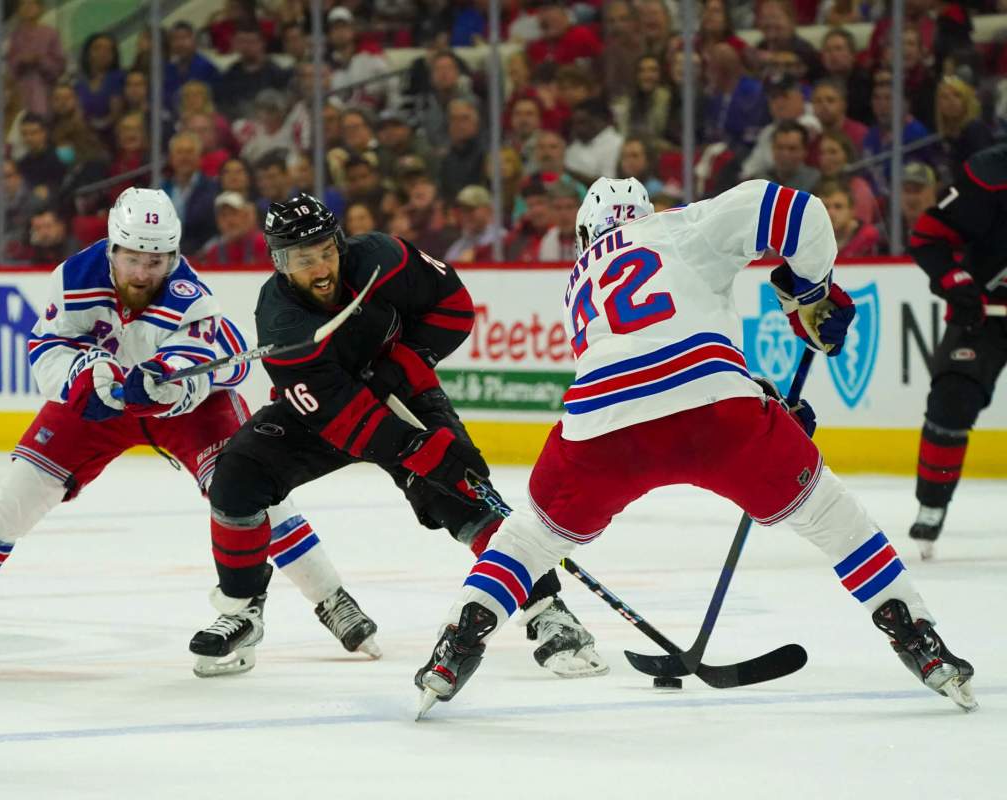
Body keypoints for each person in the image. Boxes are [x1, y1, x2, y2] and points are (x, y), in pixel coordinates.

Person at [414, 176, 976, 715]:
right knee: (834, 519)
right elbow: (801, 212)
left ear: (586, 236)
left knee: (527, 540)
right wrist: (809, 291)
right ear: (647, 214)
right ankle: (916, 636)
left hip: (602, 423)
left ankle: (458, 642)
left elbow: (646, 360)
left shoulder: (580, 279)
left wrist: (762, 396)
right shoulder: (679, 226)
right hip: (717, 412)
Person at [0, 188, 379, 672]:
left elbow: (226, 368)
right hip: (94, 408)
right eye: (133, 260)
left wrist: (172, 386)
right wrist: (81, 377)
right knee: (14, 493)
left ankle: (332, 599)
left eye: (158, 260)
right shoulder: (75, 279)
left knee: (253, 493)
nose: (145, 273)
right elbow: (46, 350)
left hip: (189, 413)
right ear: (112, 249)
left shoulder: (190, 299)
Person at [189, 193, 607, 679]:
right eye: (304, 260)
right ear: (280, 263)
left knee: (463, 495)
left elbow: (453, 306)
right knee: (239, 474)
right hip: (329, 413)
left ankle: (548, 612)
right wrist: (417, 450)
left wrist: (398, 370)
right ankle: (241, 609)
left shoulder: (381, 259)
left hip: (403, 391)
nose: (321, 268)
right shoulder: (282, 321)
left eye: (326, 250)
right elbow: (342, 418)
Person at [905, 143, 1007, 559]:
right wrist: (956, 280)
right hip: (986, 311)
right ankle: (933, 501)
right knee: (951, 399)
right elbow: (928, 239)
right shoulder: (990, 175)